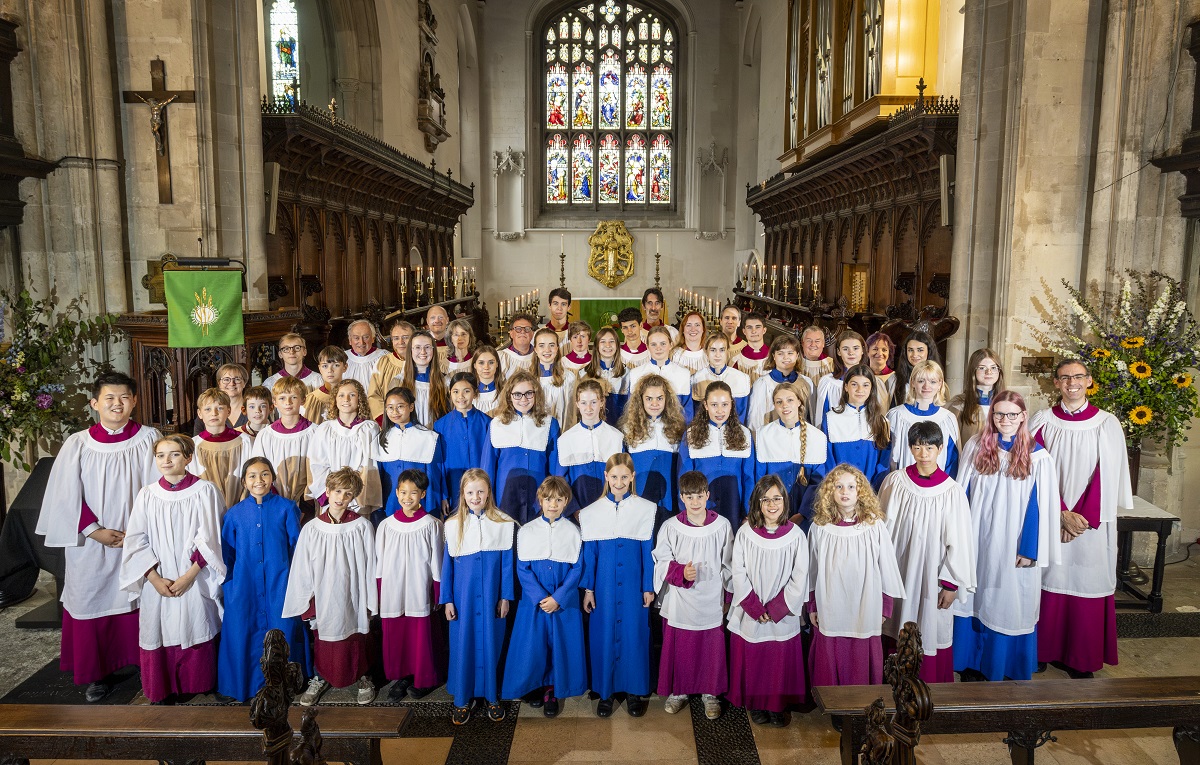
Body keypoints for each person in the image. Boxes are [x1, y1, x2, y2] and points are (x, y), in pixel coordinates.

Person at [36, 372, 160, 702]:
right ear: (95, 403)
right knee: (93, 597)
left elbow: (158, 487)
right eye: (109, 398)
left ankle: (141, 662)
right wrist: (95, 531)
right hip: (91, 541)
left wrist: (137, 531)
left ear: (134, 401)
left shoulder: (149, 438)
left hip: (137, 537)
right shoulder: (78, 443)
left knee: (137, 597)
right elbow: (66, 495)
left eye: (123, 398)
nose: (117, 404)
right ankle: (97, 674)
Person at [1029, 359, 1131, 678]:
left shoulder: (1106, 423)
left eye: (1078, 377)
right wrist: (1060, 513)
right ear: (1055, 383)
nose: (1071, 382)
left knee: (1085, 580)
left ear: (1089, 381)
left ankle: (1080, 657)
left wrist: (1081, 519)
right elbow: (1034, 471)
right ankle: (1042, 650)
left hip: (1091, 523)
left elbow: (1107, 475)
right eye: (1064, 377)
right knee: (1048, 579)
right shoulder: (1042, 421)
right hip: (1051, 518)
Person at [955, 391, 1061, 682]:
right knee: (973, 595)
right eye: (999, 414)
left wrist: (1030, 548)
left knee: (1007, 600)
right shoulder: (976, 446)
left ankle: (1003, 664)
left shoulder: (1038, 456)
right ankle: (971, 661)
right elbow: (961, 493)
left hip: (1013, 542)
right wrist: (956, 537)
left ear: (1023, 416)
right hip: (976, 536)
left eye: (1012, 414)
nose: (1005, 420)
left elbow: (1040, 506)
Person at [120, 434, 225, 704]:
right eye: (160, 455)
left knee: (196, 619)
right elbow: (136, 539)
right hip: (159, 576)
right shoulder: (147, 494)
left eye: (174, 454)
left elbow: (212, 538)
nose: (166, 460)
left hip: (194, 575)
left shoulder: (205, 490)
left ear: (189, 457)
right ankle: (162, 686)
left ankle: (197, 682)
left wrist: (189, 576)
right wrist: (154, 578)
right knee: (159, 625)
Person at [877, 422, 976, 683]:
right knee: (896, 621)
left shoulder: (952, 491)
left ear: (940, 448)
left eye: (929, 447)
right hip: (899, 568)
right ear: (910, 448)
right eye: (917, 447)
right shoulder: (896, 481)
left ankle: (928, 685)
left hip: (933, 574)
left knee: (930, 626)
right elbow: (881, 526)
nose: (923, 453)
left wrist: (951, 583)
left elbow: (961, 542)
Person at [216, 457, 311, 702]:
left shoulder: (287, 508)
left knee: (284, 628)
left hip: (280, 582)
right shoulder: (234, 514)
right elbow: (227, 554)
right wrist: (230, 587)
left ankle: (285, 683)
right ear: (245, 482)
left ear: (272, 478)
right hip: (243, 584)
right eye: (252, 476)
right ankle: (242, 684)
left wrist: (297, 582)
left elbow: (296, 548)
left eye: (265, 474)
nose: (259, 480)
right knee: (241, 631)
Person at [284, 467, 378, 706]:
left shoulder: (361, 526)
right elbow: (302, 568)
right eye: (337, 491)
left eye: (347, 493)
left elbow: (370, 564)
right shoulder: (312, 528)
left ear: (353, 496)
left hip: (353, 592)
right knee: (325, 635)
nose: (341, 497)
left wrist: (370, 600)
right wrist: (305, 600)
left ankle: (362, 676)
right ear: (327, 491)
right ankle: (321, 675)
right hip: (323, 593)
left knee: (356, 634)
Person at [807, 465, 905, 686]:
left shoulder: (873, 526)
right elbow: (811, 570)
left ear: (860, 491)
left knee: (861, 654)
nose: (845, 491)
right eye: (839, 486)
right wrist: (812, 605)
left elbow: (887, 567)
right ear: (829, 492)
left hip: (865, 604)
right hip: (830, 604)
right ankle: (832, 704)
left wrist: (885, 606)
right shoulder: (820, 528)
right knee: (831, 651)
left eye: (851, 486)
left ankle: (861, 703)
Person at [727, 475, 810, 727]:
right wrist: (753, 606)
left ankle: (776, 705)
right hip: (752, 609)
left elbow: (800, 575)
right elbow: (737, 571)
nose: (772, 504)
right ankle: (756, 704)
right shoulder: (745, 533)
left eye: (777, 498)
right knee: (755, 658)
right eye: (766, 499)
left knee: (777, 660)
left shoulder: (795, 535)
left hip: (781, 612)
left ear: (785, 501)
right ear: (757, 503)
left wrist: (776, 608)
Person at [501, 476, 587, 717]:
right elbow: (522, 569)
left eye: (559, 500)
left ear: (566, 502)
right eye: (548, 499)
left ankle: (552, 688)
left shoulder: (574, 531)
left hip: (563, 602)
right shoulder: (527, 531)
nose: (553, 504)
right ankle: (533, 685)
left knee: (559, 645)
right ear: (540, 500)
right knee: (533, 646)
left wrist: (558, 597)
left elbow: (578, 568)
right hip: (534, 603)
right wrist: (541, 597)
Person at [579, 454, 656, 718]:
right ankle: (605, 691)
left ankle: (635, 690)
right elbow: (590, 555)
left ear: (633, 477)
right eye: (614, 477)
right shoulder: (592, 512)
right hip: (604, 586)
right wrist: (588, 589)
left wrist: (648, 586)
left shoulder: (645, 509)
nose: (619, 482)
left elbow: (648, 551)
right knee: (603, 632)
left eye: (625, 477)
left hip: (634, 584)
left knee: (635, 634)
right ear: (606, 477)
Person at [653, 471, 733, 721]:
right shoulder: (671, 526)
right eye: (689, 496)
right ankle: (679, 691)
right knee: (681, 646)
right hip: (680, 598)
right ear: (681, 498)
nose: (695, 501)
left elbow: (730, 563)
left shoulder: (722, 525)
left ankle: (711, 693)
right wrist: (681, 572)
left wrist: (728, 598)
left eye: (700, 496)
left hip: (711, 597)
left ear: (708, 496)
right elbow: (661, 561)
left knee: (711, 647)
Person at [441, 469, 516, 724]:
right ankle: (462, 698)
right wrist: (447, 599)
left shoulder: (503, 522)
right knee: (463, 646)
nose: (476, 497)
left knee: (492, 643)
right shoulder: (452, 525)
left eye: (480, 491)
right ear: (463, 494)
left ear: (488, 493)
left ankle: (492, 697)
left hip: (492, 598)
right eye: (470, 492)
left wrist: (505, 596)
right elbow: (447, 566)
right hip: (463, 599)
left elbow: (507, 564)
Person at [376, 468, 446, 701]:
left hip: (418, 589)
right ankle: (402, 675)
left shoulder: (431, 524)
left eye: (413, 493)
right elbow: (379, 560)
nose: (407, 498)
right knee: (398, 635)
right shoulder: (386, 525)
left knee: (421, 635)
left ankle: (425, 677)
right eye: (403, 492)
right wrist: (379, 590)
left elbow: (437, 561)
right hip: (393, 590)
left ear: (423, 494)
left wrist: (437, 593)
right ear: (396, 493)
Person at [482, 371, 561, 524]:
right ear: (509, 396)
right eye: (517, 394)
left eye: (528, 393)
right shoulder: (497, 424)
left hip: (539, 497)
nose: (523, 399)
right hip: (505, 497)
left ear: (536, 394)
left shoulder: (550, 424)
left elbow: (555, 468)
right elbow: (488, 467)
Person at [679, 381, 755, 527]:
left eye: (724, 404)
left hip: (734, 507)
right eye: (714, 405)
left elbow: (749, 478)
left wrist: (749, 512)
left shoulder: (744, 434)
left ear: (731, 405)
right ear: (706, 406)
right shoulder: (691, 435)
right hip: (701, 508)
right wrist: (686, 511)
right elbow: (684, 478)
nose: (720, 411)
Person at [308, 379, 383, 518]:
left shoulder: (369, 428)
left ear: (360, 399)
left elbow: (369, 466)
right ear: (335, 400)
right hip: (332, 499)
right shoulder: (325, 429)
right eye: (341, 395)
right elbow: (317, 464)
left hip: (358, 500)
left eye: (352, 395)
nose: (346, 399)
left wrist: (353, 494)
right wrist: (332, 494)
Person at [620, 374, 686, 529]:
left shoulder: (677, 429)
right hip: (639, 496)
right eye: (649, 398)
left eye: (659, 398)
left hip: (670, 497)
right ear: (641, 400)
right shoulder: (629, 429)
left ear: (667, 399)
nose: (654, 403)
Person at [755, 382, 827, 523]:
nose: (784, 405)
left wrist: (802, 514)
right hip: (772, 512)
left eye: (790, 400)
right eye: (779, 402)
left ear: (799, 402)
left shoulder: (817, 436)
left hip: (805, 514)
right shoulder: (764, 434)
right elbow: (760, 477)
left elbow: (818, 482)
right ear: (774, 406)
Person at [375, 386, 447, 520]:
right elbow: (378, 476)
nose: (395, 411)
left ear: (411, 407)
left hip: (421, 501)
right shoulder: (381, 438)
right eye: (390, 407)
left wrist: (440, 499)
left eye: (400, 406)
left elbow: (437, 473)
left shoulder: (429, 437)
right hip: (390, 501)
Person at [553, 379, 624, 512]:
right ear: (577, 404)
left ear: (602, 402)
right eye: (584, 403)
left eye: (594, 402)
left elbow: (623, 476)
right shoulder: (566, 439)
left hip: (610, 507)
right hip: (578, 509)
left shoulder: (616, 437)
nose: (589, 408)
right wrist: (573, 510)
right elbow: (561, 481)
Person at [822, 365, 892, 490]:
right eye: (854, 384)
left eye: (866, 385)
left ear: (872, 388)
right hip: (840, 489)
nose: (860, 389)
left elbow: (884, 462)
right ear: (846, 387)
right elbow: (828, 459)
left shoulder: (882, 421)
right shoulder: (831, 419)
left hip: (871, 488)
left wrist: (872, 488)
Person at [886, 360, 960, 478]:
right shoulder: (896, 416)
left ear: (940, 384)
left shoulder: (947, 419)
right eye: (921, 381)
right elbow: (887, 456)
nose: (926, 386)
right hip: (903, 482)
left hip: (937, 486)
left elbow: (952, 461)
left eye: (933, 381)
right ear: (912, 383)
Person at [250, 376, 316, 506]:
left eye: (294, 397)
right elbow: (259, 468)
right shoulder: (266, 435)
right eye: (282, 398)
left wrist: (306, 498)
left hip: (307, 501)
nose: (288, 402)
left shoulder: (315, 432)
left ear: (303, 400)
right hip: (273, 499)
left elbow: (319, 468)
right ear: (274, 402)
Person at [434, 372, 493, 511]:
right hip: (453, 484)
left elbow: (490, 459)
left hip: (481, 489)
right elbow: (439, 463)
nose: (460, 396)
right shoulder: (440, 425)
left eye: (466, 391)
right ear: (450, 393)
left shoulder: (488, 423)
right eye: (456, 391)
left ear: (475, 393)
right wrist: (443, 495)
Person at [191, 388, 253, 511]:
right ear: (200, 414)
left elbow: (250, 473)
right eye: (207, 409)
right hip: (205, 507)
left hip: (238, 505)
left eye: (219, 408)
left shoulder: (244, 441)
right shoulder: (194, 444)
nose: (214, 413)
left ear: (228, 411)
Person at [626, 325, 694, 420]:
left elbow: (687, 412)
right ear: (647, 346)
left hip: (675, 431)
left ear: (670, 345)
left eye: (663, 344)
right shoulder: (636, 374)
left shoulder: (683, 374)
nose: (658, 348)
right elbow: (633, 410)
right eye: (654, 344)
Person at [747, 335, 811, 432]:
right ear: (773, 356)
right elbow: (755, 420)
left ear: (797, 355)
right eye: (780, 353)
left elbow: (811, 416)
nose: (786, 357)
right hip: (771, 437)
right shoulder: (763, 384)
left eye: (790, 353)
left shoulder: (806, 383)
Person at [949, 348, 1005, 444]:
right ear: (973, 370)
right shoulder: (959, 404)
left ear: (999, 371)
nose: (989, 372)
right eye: (982, 368)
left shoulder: (1008, 403)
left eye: (993, 367)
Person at [691, 334, 751, 423]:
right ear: (706, 352)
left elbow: (742, 415)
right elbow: (695, 414)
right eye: (713, 350)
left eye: (722, 350)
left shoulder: (741, 379)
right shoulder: (696, 379)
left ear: (727, 351)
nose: (717, 355)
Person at [812, 330, 867, 429]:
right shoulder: (828, 382)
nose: (851, 353)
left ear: (862, 350)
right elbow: (822, 416)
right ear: (838, 352)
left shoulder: (872, 381)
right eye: (845, 349)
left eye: (856, 348)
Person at [397, 331, 452, 426]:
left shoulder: (445, 381)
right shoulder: (399, 382)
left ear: (433, 350)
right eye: (417, 347)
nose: (423, 352)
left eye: (427, 347)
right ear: (411, 350)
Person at [367, 318, 414, 419]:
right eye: (396, 338)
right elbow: (374, 395)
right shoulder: (383, 362)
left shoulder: (423, 361)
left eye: (405, 337)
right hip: (388, 420)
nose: (401, 342)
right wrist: (384, 420)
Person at [533, 327, 578, 427]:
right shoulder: (528, 379)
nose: (547, 350)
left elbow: (571, 412)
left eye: (552, 345)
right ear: (535, 349)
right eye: (541, 345)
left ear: (557, 348)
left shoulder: (568, 378)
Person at [583, 326, 628, 425]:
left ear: (617, 345)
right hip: (593, 428)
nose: (607, 345)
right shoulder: (584, 373)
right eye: (603, 341)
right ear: (596, 346)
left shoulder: (627, 374)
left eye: (611, 341)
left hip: (619, 429)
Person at [192, 363, 249, 434]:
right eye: (226, 379)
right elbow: (197, 442)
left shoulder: (253, 409)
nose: (232, 383)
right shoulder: (207, 413)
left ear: (244, 383)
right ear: (219, 383)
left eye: (237, 379)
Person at [890, 330, 942, 408]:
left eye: (920, 350)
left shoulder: (938, 380)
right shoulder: (894, 379)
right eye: (910, 350)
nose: (915, 355)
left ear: (929, 351)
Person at [304, 346, 349, 424]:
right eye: (325, 366)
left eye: (336, 365)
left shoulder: (352, 396)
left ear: (345, 367)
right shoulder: (311, 399)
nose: (330, 370)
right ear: (319, 368)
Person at [344, 319, 388, 389]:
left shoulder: (384, 357)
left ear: (373, 338)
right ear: (350, 340)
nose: (361, 342)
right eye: (356, 338)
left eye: (366, 337)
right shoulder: (342, 358)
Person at [732, 312, 770, 384]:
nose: (753, 331)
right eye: (749, 327)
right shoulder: (737, 359)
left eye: (758, 327)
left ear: (764, 330)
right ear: (744, 331)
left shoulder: (774, 357)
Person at [471, 345, 505, 415]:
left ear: (497, 364)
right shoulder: (468, 393)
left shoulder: (506, 391)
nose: (486, 367)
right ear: (474, 365)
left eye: (491, 362)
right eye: (481, 363)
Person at [865, 331, 896, 399]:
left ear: (889, 353)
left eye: (884, 350)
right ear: (867, 351)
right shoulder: (862, 375)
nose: (880, 353)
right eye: (875, 349)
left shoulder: (895, 377)